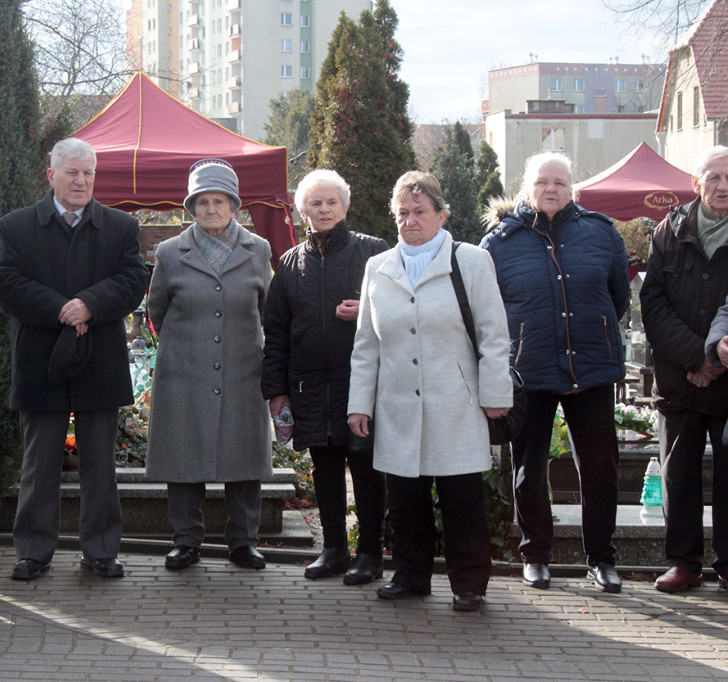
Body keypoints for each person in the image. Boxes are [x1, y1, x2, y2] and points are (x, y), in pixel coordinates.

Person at [347, 171, 510, 612]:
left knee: (461, 498)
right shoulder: (377, 267)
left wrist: (497, 393)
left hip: (456, 400)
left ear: (442, 214)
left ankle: (469, 583)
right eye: (402, 212)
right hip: (397, 403)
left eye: (420, 212)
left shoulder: (471, 261)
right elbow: (367, 343)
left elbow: (495, 333)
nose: (410, 220)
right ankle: (411, 575)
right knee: (404, 499)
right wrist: (359, 403)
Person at [0, 137, 148, 581]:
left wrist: (89, 305)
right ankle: (33, 552)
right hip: (40, 359)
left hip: (100, 359)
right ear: (51, 175)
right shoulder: (16, 226)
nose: (81, 181)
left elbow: (134, 279)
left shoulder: (120, 227)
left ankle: (101, 550)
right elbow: (6, 282)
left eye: (88, 174)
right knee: (40, 463)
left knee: (100, 463)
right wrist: (62, 309)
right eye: (72, 173)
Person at [481, 151, 629, 594]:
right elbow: (487, 312)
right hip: (530, 370)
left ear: (573, 188)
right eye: (543, 182)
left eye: (560, 183)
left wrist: (595, 331)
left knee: (600, 466)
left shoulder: (601, 233)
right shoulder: (500, 243)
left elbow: (617, 298)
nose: (551, 189)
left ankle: (601, 559)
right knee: (528, 467)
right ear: (526, 186)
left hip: (592, 368)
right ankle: (535, 555)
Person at [146, 159, 273, 571]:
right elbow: (157, 311)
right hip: (184, 372)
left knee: (243, 460)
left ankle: (244, 542)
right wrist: (187, 349)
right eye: (202, 202)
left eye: (219, 201)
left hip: (242, 371)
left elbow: (267, 309)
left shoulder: (259, 251)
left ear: (234, 206)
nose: (210, 210)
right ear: (191, 207)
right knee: (183, 460)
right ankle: (186, 541)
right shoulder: (169, 253)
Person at [262, 169, 388, 584]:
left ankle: (370, 553)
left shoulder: (374, 252)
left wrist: (368, 312)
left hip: (362, 385)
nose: (324, 209)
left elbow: (402, 312)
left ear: (345, 206)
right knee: (325, 469)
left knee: (368, 470)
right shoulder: (290, 264)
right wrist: (277, 391)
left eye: (331, 201)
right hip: (310, 385)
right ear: (302, 213)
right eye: (315, 203)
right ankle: (333, 549)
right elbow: (277, 331)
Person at [642, 145, 728, 593]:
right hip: (680, 376)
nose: (723, 186)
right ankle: (684, 563)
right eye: (712, 177)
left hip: (727, 377)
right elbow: (653, 307)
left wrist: (713, 361)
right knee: (679, 472)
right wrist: (697, 357)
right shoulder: (668, 231)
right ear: (695, 183)